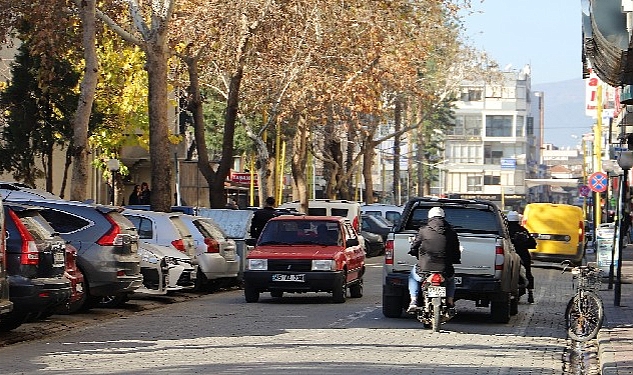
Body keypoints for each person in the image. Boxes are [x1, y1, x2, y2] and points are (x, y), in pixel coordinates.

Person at [407, 206, 461, 314]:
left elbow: (415, 246)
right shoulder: (451, 232)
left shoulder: (423, 230)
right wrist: (455, 259)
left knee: (413, 276)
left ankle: (413, 300)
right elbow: (456, 250)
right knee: (450, 279)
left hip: (425, 267)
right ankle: (450, 301)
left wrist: (413, 251)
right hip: (445, 268)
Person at [506, 210, 538, 303]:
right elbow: (533, 243)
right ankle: (530, 293)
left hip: (510, 255)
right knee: (528, 273)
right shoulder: (523, 230)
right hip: (523, 255)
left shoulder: (505, 231)